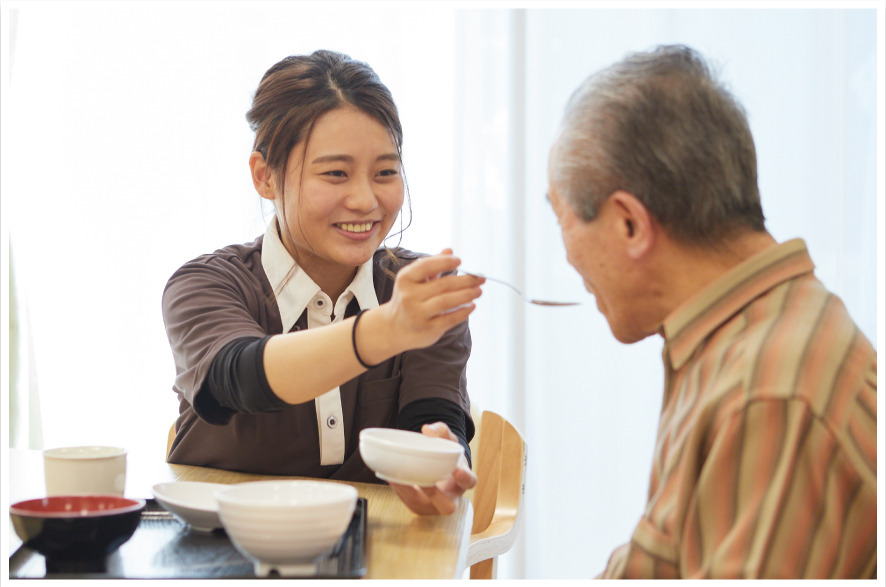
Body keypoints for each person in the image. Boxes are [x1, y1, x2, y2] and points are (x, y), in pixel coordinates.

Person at [546, 45, 877, 579]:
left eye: (560, 217)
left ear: (628, 224)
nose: (564, 255)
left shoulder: (769, 395)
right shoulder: (736, 337)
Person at [162, 50, 485, 516]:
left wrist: (440, 461)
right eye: (336, 173)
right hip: (221, 548)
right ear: (264, 176)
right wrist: (385, 330)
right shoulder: (205, 284)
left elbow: (434, 423)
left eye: (385, 172)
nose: (365, 199)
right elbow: (242, 377)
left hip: (374, 550)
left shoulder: (417, 292)